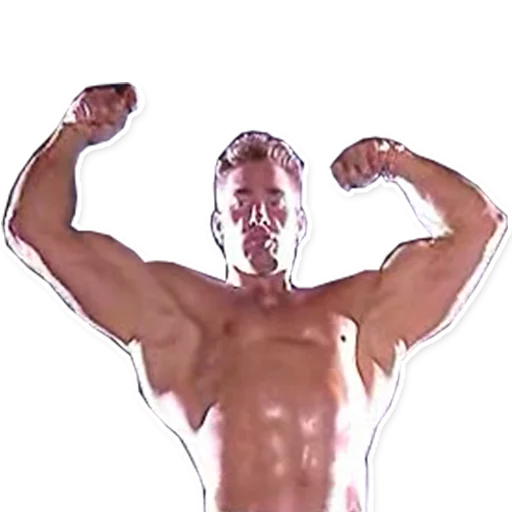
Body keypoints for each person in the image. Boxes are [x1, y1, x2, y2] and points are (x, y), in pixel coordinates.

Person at [4, 83, 510, 512]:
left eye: (276, 201)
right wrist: (73, 130)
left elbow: (481, 227)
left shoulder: (361, 315)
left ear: (303, 223)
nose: (259, 217)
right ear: (217, 226)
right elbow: (33, 230)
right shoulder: (181, 316)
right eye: (241, 203)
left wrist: (396, 160)